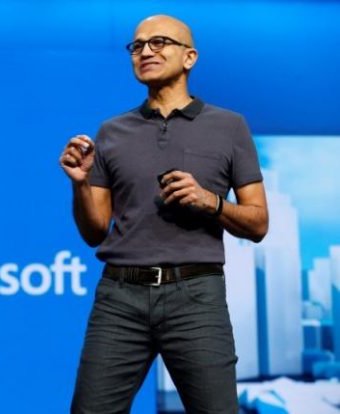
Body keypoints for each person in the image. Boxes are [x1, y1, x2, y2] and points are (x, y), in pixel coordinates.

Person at [59, 14, 269, 414]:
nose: (146, 51)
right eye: (137, 46)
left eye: (159, 42)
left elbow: (259, 223)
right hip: (120, 298)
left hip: (196, 296)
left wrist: (212, 203)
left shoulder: (229, 126)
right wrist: (80, 183)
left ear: (189, 57)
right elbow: (94, 232)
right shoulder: (111, 132)